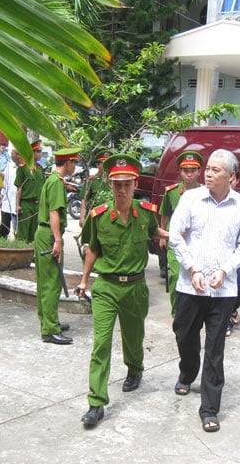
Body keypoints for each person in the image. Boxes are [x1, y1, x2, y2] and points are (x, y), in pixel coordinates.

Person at [76, 153, 168, 428]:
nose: (122, 190)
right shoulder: (99, 217)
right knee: (101, 344)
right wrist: (83, 281)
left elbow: (157, 232)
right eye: (117, 185)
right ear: (110, 184)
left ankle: (135, 369)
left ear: (136, 183)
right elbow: (92, 249)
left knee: (133, 336)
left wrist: (178, 235)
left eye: (127, 184)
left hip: (136, 287)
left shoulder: (146, 213)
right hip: (106, 286)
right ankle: (96, 402)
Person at [168, 149, 240, 433]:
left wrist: (225, 270)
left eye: (216, 170)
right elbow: (175, 236)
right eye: (208, 169)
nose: (207, 173)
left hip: (223, 291)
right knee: (184, 333)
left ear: (231, 177)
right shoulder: (191, 199)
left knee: (215, 350)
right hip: (190, 287)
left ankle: (209, 408)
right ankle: (187, 371)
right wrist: (192, 269)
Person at [34, 147, 80, 345]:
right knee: (51, 283)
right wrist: (58, 240)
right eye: (74, 162)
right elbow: (54, 213)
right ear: (67, 162)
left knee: (46, 282)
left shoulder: (53, 180)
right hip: (49, 235)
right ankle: (49, 329)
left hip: (45, 234)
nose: (75, 167)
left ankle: (49, 322)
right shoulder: (56, 183)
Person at [158, 150, 203, 317]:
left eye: (193, 171)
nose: (189, 175)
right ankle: (177, 313)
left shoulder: (205, 192)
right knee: (176, 276)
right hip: (176, 242)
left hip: (196, 243)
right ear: (180, 172)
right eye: (186, 171)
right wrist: (163, 237)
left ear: (199, 172)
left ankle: (194, 312)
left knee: (196, 277)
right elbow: (165, 214)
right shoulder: (172, 192)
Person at [226, 169, 240, 337]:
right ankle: (225, 322)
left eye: (232, 180)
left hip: (236, 253)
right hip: (219, 252)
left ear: (236, 181)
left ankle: (233, 310)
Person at [15, 141, 45, 242]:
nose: (40, 153)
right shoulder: (23, 169)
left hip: (37, 205)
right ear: (32, 153)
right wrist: (17, 205)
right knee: (23, 233)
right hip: (26, 204)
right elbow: (19, 188)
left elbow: (43, 188)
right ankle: (20, 255)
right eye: (38, 151)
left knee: (34, 232)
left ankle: (31, 255)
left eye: (41, 151)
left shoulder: (40, 169)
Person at [79, 149, 112, 227]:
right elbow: (84, 199)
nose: (106, 166)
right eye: (103, 163)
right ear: (97, 165)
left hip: (111, 217)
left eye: (108, 163)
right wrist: (82, 217)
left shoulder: (116, 181)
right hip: (95, 217)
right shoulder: (91, 180)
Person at [0, 148, 21, 239]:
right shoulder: (9, 166)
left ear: (19, 156)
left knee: (17, 229)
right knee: (4, 227)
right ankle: (0, 242)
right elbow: (5, 182)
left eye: (13, 153)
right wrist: (2, 197)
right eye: (11, 153)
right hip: (7, 202)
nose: (11, 155)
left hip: (17, 204)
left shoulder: (24, 168)